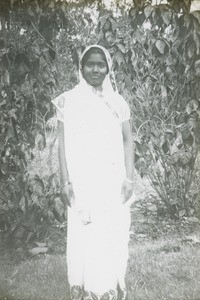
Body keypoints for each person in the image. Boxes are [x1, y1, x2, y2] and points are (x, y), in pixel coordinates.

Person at [52, 45, 135, 300]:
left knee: (111, 229)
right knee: (84, 230)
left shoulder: (118, 103)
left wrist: (129, 178)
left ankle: (108, 287)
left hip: (111, 179)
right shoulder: (69, 100)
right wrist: (65, 181)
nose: (96, 69)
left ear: (109, 68)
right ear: (81, 67)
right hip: (81, 181)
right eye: (91, 64)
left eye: (101, 64)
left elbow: (127, 140)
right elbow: (62, 143)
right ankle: (85, 287)